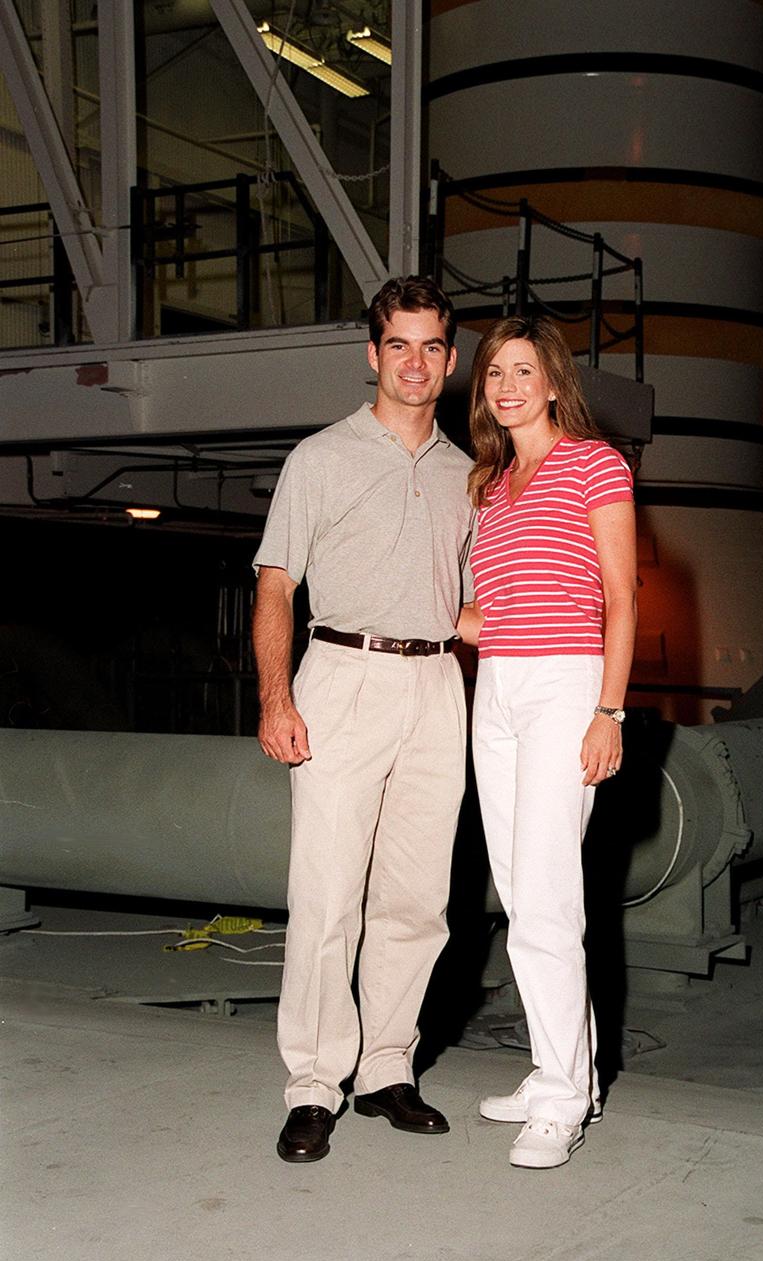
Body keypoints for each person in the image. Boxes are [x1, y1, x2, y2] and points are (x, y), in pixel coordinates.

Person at [253, 277, 474, 1163]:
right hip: (342, 675)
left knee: (417, 900)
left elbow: (467, 609)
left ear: (449, 362)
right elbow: (277, 584)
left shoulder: (466, 473)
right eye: (398, 345)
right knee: (326, 896)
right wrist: (276, 698)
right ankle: (313, 1084)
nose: (414, 363)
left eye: (431, 347)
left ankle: (386, 1070)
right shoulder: (320, 458)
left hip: (436, 686)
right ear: (371, 354)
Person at [458, 315, 637, 1170]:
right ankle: (559, 1072)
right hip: (495, 685)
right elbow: (484, 612)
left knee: (548, 896)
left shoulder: (595, 463)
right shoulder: (489, 484)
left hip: (566, 684)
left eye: (523, 370)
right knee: (521, 894)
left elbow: (621, 596)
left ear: (554, 382)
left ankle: (564, 1099)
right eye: (495, 371)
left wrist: (610, 711)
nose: (507, 386)